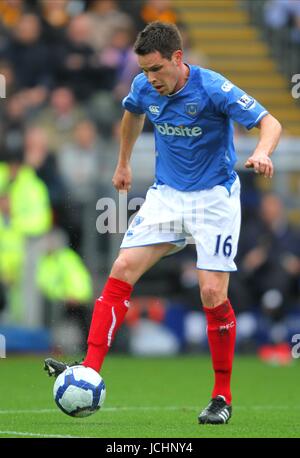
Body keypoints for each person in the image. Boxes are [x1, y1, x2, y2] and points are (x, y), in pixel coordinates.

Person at [44, 21, 282, 425]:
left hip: (214, 200)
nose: (149, 79)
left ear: (177, 58)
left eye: (156, 69)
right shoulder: (142, 86)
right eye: (144, 70)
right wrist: (122, 163)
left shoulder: (212, 87)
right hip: (167, 196)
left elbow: (270, 122)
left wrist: (262, 152)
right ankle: (88, 368)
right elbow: (131, 115)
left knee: (211, 293)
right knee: (121, 268)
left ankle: (221, 396)